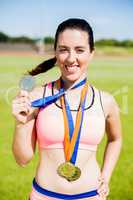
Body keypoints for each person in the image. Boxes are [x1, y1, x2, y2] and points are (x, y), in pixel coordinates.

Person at [12, 18, 122, 200]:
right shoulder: (37, 97)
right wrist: (20, 124)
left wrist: (106, 176)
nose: (71, 58)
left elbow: (115, 139)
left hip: (91, 196)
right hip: (44, 196)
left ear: (91, 53)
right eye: (63, 50)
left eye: (80, 50)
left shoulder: (106, 101)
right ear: (55, 53)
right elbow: (22, 160)